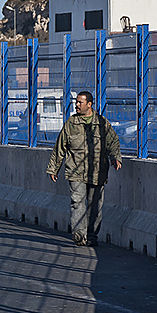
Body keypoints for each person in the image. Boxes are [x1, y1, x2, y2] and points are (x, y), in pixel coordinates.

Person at [46, 91, 122, 247]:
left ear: (89, 104)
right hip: (76, 171)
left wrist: (115, 157)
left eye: (80, 102)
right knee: (77, 203)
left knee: (95, 206)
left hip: (97, 171)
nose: (77, 105)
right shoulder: (71, 124)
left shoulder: (101, 123)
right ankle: (80, 235)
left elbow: (113, 141)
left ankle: (92, 235)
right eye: (76, 102)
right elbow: (60, 147)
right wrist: (54, 168)